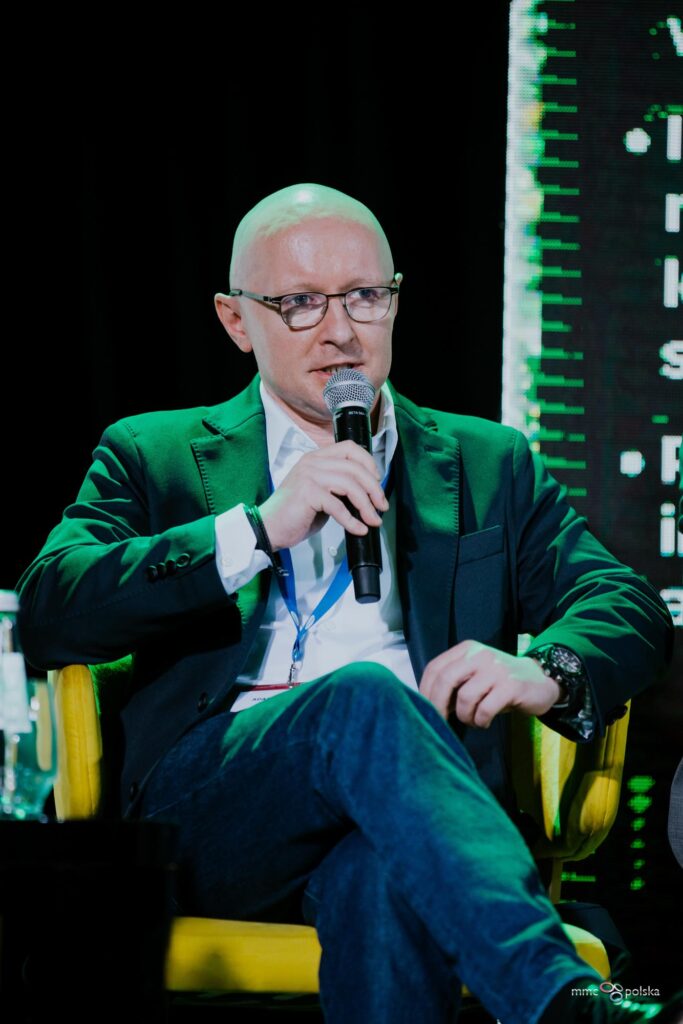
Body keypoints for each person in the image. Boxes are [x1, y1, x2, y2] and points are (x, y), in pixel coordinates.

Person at [16, 184, 678, 1024]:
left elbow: (624, 603)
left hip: (415, 819)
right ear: (235, 320)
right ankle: (567, 1003)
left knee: (380, 880)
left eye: (365, 295)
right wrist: (256, 529)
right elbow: (50, 608)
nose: (340, 331)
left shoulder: (487, 463)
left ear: (394, 301)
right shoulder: (155, 453)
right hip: (213, 819)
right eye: (299, 304)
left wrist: (544, 669)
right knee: (362, 695)